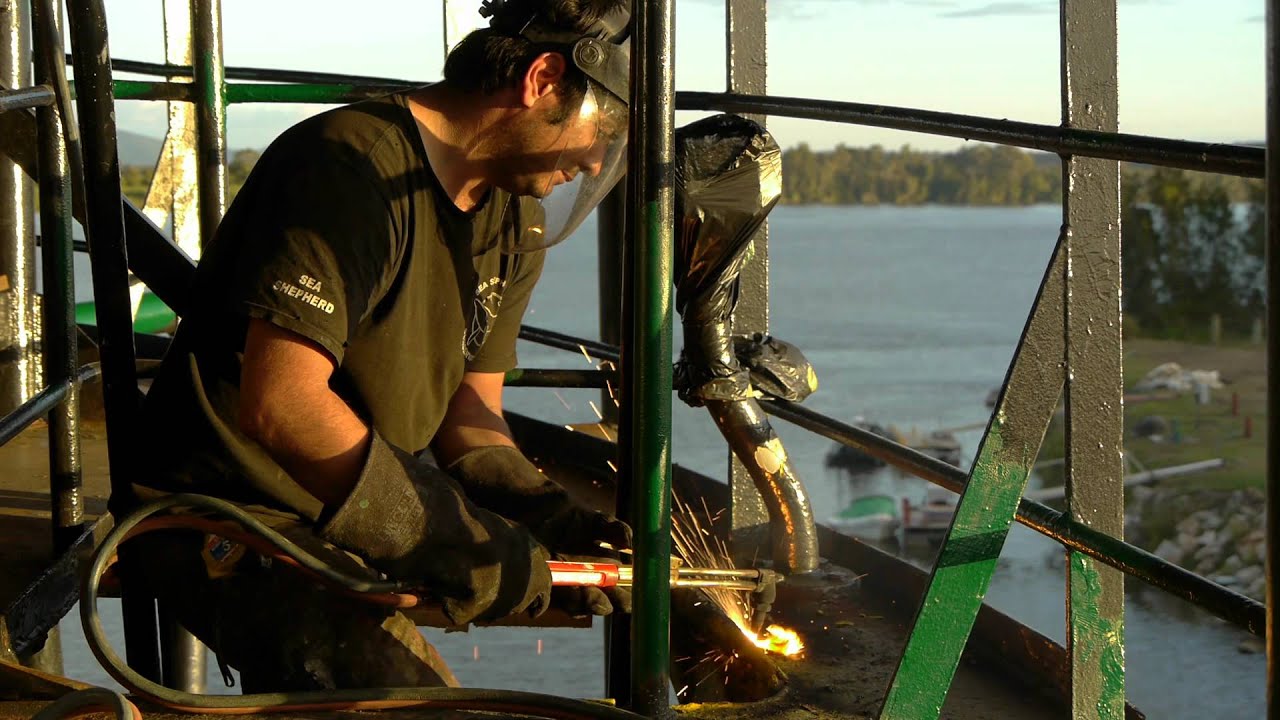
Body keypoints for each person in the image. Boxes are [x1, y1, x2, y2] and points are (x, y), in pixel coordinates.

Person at [131, 0, 633, 692]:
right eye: (602, 127)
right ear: (542, 79)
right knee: (409, 699)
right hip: (225, 507)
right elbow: (281, 405)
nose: (597, 157)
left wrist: (551, 518)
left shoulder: (513, 218)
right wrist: (440, 534)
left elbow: (470, 418)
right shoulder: (349, 171)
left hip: (344, 508)